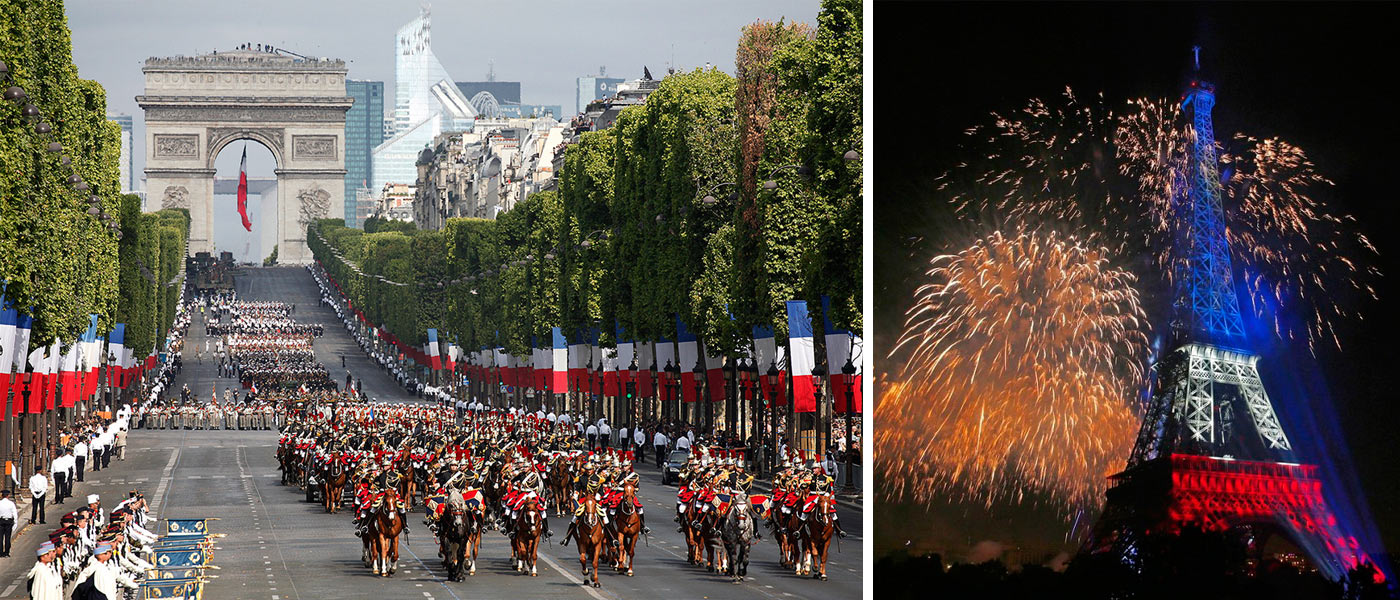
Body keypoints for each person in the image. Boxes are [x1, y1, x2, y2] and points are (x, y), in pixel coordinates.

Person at [0, 490, 15, 557]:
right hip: (9, 521)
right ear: (8, 496)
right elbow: (14, 513)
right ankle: (6, 552)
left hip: (1, 521)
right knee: (7, 537)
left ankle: (0, 552)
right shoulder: (11, 503)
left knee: (0, 538)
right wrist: (15, 523)